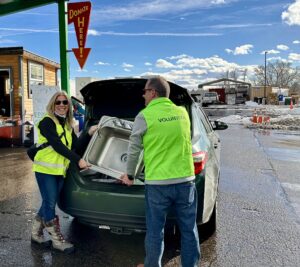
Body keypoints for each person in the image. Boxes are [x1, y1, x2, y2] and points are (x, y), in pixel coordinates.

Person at [121, 77, 200, 267]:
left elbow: (133, 149)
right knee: (189, 230)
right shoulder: (182, 113)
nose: (143, 95)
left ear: (153, 93)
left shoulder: (145, 115)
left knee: (155, 231)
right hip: (185, 182)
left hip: (158, 185)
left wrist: (129, 175)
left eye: (145, 91)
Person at [31, 91, 97, 253]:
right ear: (53, 105)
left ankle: (35, 233)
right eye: (58, 102)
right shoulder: (47, 122)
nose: (61, 105)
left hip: (59, 171)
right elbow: (58, 146)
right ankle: (57, 241)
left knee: (48, 202)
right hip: (45, 170)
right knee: (50, 204)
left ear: (69, 106)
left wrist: (89, 132)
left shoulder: (67, 125)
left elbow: (77, 146)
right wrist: (78, 161)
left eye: (65, 102)